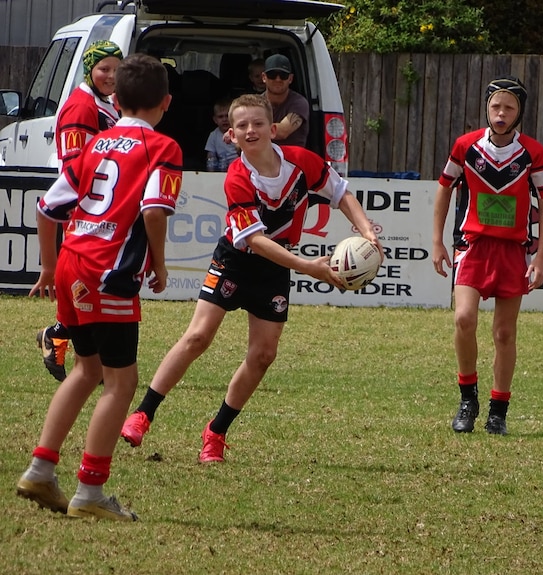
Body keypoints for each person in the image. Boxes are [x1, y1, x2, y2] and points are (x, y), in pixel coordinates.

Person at [120, 93, 382, 462]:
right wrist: (310, 267)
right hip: (236, 260)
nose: (250, 129)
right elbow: (256, 241)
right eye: (241, 125)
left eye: (258, 123)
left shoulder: (302, 163)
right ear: (231, 135)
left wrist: (366, 231)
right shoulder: (237, 178)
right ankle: (143, 413)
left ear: (273, 129)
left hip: (276, 269)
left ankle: (215, 433)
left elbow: (341, 194)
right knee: (197, 337)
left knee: (263, 355)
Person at [16, 53, 182, 520]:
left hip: (72, 264)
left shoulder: (96, 142)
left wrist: (48, 267)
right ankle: (90, 492)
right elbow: (152, 211)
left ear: (117, 96)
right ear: (166, 102)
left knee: (86, 372)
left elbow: (47, 208)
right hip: (108, 272)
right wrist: (161, 265)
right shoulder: (163, 148)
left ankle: (40, 471)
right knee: (120, 381)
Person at [431, 76, 543, 436]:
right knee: (464, 319)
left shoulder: (533, 152)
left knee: (504, 333)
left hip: (512, 250)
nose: (501, 113)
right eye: (496, 106)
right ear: (486, 108)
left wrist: (541, 257)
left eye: (509, 108)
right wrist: (437, 242)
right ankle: (467, 400)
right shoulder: (466, 146)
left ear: (520, 113)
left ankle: (498, 410)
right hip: (472, 246)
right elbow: (443, 190)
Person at [36, 40, 124, 383]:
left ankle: (61, 336)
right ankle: (64, 338)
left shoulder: (104, 101)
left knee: (93, 281)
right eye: (104, 69)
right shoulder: (80, 106)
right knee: (89, 280)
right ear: (90, 69)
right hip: (85, 205)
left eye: (117, 70)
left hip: (100, 203)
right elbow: (76, 165)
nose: (111, 76)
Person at [262, 53, 309, 147]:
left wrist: (244, 130)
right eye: (272, 75)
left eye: (283, 75)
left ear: (290, 79)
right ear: (264, 77)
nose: (278, 79)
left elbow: (283, 131)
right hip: (263, 157)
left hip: (291, 159)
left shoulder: (299, 102)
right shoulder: (256, 103)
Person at [205, 97, 239, 171]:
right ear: (215, 120)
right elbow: (210, 156)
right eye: (220, 117)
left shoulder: (239, 131)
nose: (224, 119)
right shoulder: (213, 135)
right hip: (222, 168)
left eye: (227, 116)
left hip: (239, 166)